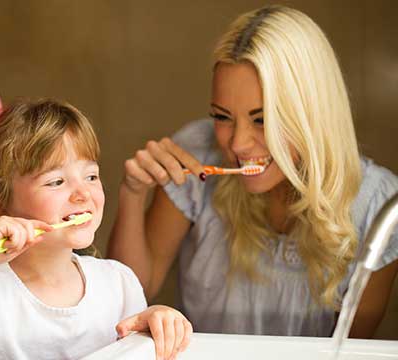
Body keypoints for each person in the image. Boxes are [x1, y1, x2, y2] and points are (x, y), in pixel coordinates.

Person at [109, 5, 398, 337]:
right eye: (222, 117)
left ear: (311, 114)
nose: (238, 144)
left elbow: (348, 351)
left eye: (262, 120)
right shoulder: (195, 157)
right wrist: (132, 193)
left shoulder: (378, 207)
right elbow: (128, 297)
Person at [0, 99, 193, 360]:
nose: (83, 194)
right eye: (56, 181)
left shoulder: (119, 283)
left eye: (91, 176)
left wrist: (159, 319)